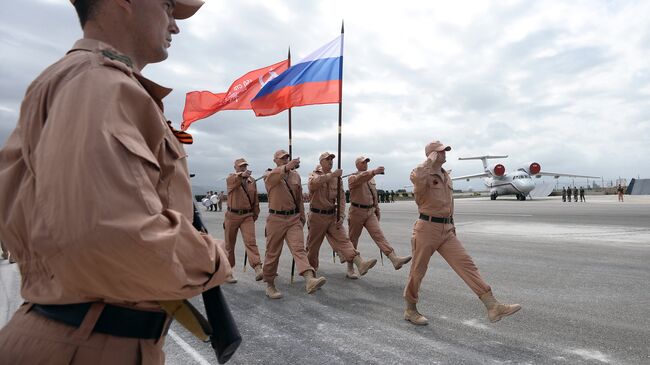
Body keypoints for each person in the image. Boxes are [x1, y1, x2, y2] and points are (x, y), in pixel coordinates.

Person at [0, 1, 232, 363]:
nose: (175, 26)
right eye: (168, 7)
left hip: (89, 334)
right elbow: (110, 234)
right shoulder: (97, 82)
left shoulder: (89, 80)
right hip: (89, 343)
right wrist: (212, 257)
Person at [403, 140, 521, 326]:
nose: (445, 154)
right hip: (427, 228)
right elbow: (417, 178)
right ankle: (410, 309)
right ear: (432, 154)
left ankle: (492, 306)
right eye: (441, 151)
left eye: (445, 151)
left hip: (447, 229)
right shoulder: (421, 173)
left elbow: (449, 205)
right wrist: (428, 161)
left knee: (467, 265)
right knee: (418, 270)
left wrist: (452, 227)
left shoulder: (445, 176)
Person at [263, 150, 327, 299]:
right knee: (272, 253)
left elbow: (298, 198)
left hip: (293, 218)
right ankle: (270, 285)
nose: (285, 160)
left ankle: (309, 279)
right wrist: (287, 167)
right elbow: (273, 178)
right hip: (275, 218)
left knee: (299, 249)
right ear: (275, 161)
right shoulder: (269, 175)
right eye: (282, 158)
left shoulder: (296, 176)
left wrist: (302, 217)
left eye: (287, 158)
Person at [306, 152, 378, 279]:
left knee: (344, 240)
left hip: (332, 216)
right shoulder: (314, 175)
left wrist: (341, 215)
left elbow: (342, 198)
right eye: (327, 159)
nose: (330, 161)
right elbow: (313, 185)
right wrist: (331, 175)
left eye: (332, 159)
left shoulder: (337, 178)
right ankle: (311, 275)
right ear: (321, 162)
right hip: (317, 216)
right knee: (313, 248)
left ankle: (360, 263)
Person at [347, 156, 411, 278]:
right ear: (357, 165)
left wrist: (377, 208)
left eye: (366, 162)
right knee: (353, 240)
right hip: (357, 212)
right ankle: (350, 268)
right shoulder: (353, 178)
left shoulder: (371, 179)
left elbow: (374, 194)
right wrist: (373, 172)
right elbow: (360, 178)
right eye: (363, 162)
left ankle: (394, 259)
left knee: (379, 235)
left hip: (370, 211)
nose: (365, 163)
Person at [224, 158, 263, 282]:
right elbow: (234, 180)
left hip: (247, 216)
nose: (243, 168)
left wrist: (255, 214)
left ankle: (258, 267)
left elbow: (255, 199)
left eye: (245, 166)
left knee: (251, 242)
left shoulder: (252, 181)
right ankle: (228, 272)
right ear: (235, 167)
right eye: (240, 166)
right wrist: (241, 175)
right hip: (232, 215)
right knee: (229, 245)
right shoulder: (231, 178)